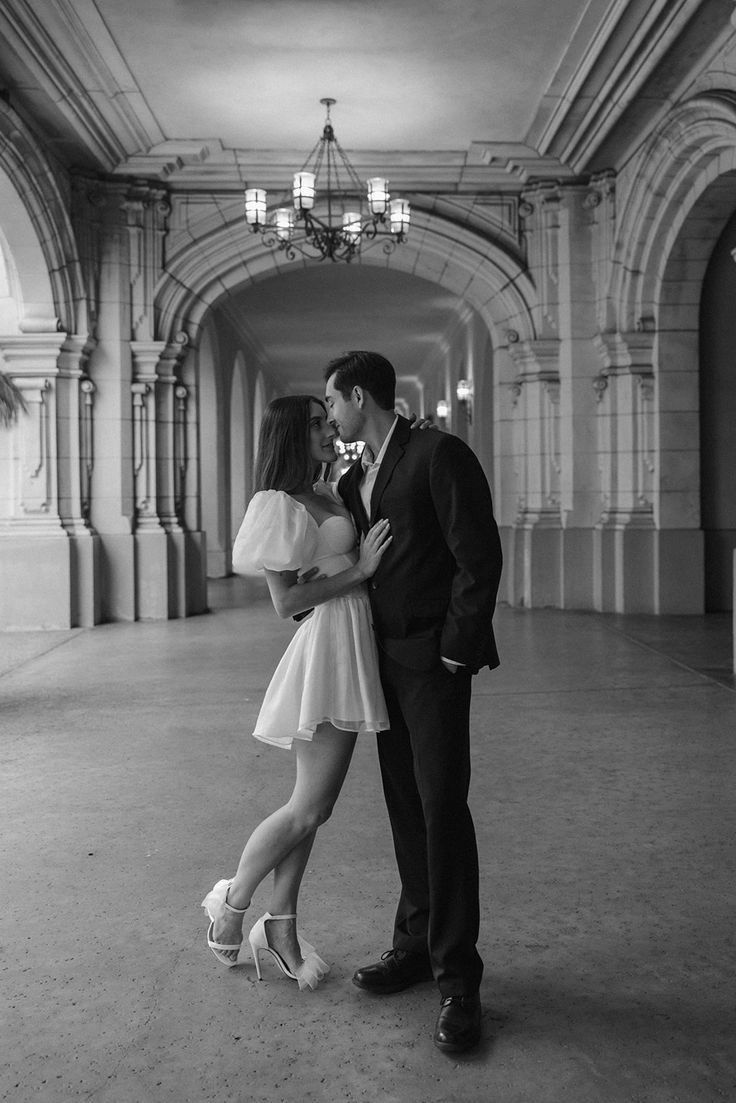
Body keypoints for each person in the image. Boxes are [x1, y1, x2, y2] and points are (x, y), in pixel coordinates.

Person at [324, 351, 503, 1053]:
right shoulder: (352, 475)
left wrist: (457, 648)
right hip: (382, 662)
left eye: (333, 403)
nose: (330, 416)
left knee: (440, 807)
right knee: (404, 806)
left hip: (432, 663)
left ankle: (459, 978)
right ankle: (415, 942)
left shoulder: (438, 453)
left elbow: (476, 554)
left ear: (360, 395)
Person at [201, 394, 392, 990]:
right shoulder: (277, 504)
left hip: (355, 640)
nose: (328, 428)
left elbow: (331, 563)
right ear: (289, 434)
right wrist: (356, 571)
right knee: (310, 805)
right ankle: (232, 904)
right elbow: (285, 602)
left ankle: (279, 924)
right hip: (329, 649)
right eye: (315, 423)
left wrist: (349, 570)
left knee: (315, 806)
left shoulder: (332, 491)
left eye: (325, 417)